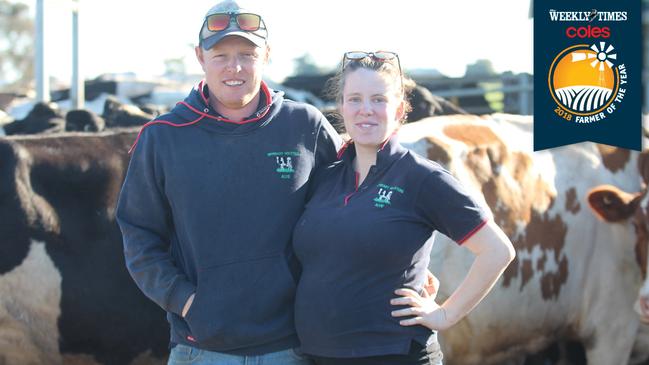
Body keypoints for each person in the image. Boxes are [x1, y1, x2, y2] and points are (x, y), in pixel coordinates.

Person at [115, 1, 341, 364]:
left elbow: (355, 207)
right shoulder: (163, 136)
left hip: (294, 347)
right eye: (220, 55)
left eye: (247, 54)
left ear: (267, 54)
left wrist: (404, 267)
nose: (234, 67)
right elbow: (138, 235)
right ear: (200, 57)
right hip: (200, 348)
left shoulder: (305, 125)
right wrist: (186, 301)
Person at [291, 51, 516, 365]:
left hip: (395, 354)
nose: (365, 110)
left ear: (399, 110)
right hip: (319, 355)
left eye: (378, 99)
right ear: (341, 106)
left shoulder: (422, 177)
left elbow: (497, 251)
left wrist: (445, 313)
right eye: (354, 99)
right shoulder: (325, 176)